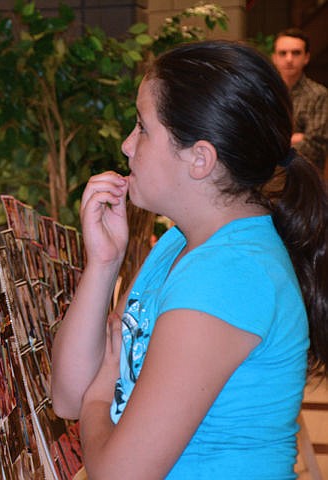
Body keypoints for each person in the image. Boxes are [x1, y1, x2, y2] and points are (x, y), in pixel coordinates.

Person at [51, 40, 328, 479]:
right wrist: (104, 264)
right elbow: (67, 394)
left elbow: (118, 471)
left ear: (200, 158)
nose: (126, 145)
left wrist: (99, 397)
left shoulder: (228, 273)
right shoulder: (179, 243)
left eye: (142, 128)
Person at [272, 28, 328, 171]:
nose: (289, 59)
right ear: (274, 58)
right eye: (283, 53)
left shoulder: (318, 94)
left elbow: (316, 147)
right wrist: (295, 138)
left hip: (305, 179)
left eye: (296, 53)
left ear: (306, 57)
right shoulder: (267, 92)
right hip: (268, 179)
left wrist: (275, 144)